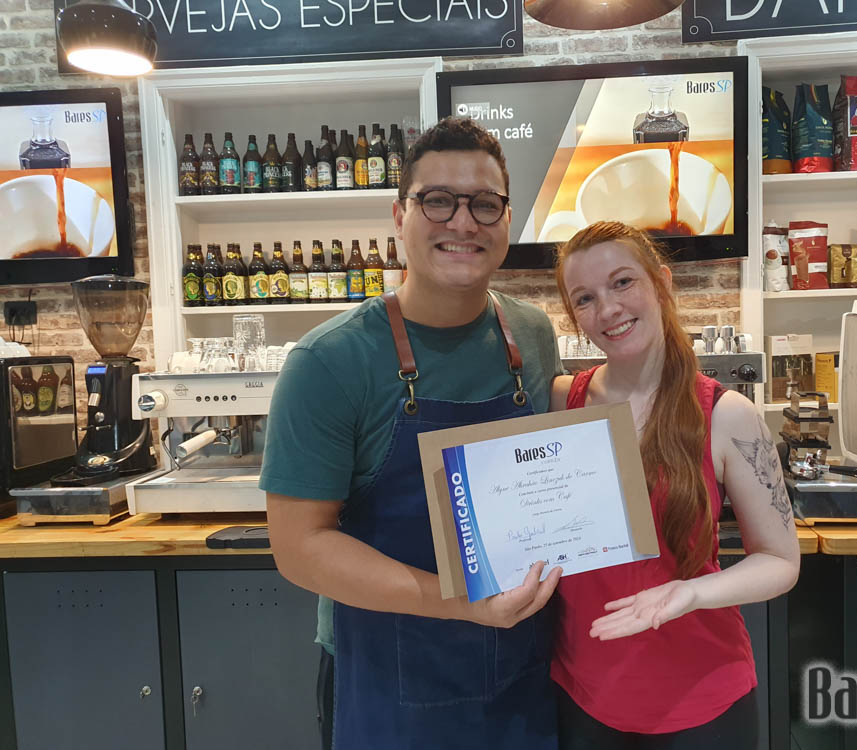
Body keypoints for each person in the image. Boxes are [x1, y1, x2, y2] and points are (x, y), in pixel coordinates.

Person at [260, 117, 564, 749]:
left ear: (508, 220)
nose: (463, 222)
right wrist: (464, 604)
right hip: (387, 673)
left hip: (521, 664)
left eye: (485, 204)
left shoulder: (533, 335)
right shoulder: (329, 361)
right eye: (438, 201)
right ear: (399, 216)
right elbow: (299, 547)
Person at [549, 221, 801, 749]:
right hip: (583, 693)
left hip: (702, 697)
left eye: (622, 282)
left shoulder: (727, 414)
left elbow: (780, 561)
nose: (608, 309)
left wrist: (690, 593)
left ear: (661, 283)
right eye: (585, 298)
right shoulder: (559, 402)